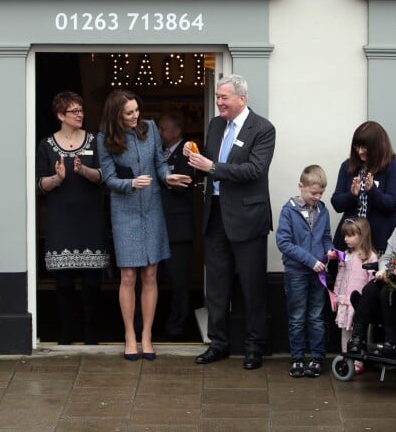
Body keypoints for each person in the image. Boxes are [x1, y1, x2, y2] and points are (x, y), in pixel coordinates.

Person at [184, 74, 275, 370]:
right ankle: (218, 344)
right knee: (218, 286)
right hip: (216, 216)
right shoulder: (214, 125)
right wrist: (195, 159)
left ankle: (254, 347)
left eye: (224, 97)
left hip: (248, 218)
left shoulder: (262, 129)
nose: (219, 102)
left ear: (242, 99)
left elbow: (255, 170)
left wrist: (212, 167)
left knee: (252, 287)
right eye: (218, 97)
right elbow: (210, 166)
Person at [97, 90, 191, 361]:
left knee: (150, 275)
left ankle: (147, 336)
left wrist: (168, 178)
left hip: (152, 210)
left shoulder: (149, 128)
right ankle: (129, 335)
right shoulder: (105, 139)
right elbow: (109, 178)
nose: (135, 116)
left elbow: (159, 163)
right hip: (124, 211)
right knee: (128, 277)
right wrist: (130, 184)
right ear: (116, 114)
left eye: (136, 110)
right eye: (128, 113)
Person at [36, 91, 110, 345]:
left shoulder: (95, 141)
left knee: (92, 283)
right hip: (61, 220)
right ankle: (67, 331)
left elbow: (103, 177)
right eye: (74, 111)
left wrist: (83, 170)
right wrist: (57, 178)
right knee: (64, 283)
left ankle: (91, 331)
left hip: (90, 218)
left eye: (81, 110)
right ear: (60, 115)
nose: (80, 115)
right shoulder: (46, 144)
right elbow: (40, 185)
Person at [275, 165, 334, 378]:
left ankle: (317, 359)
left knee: (317, 317)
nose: (317, 197)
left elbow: (326, 236)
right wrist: (310, 260)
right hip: (296, 272)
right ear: (301, 186)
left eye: (321, 193)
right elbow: (284, 242)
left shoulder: (323, 210)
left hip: (318, 272)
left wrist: (329, 251)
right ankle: (298, 358)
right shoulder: (289, 210)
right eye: (313, 193)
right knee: (297, 317)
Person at [348, 189, 396, 358]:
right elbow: (386, 256)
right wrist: (383, 270)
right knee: (371, 288)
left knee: (386, 292)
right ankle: (357, 337)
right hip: (391, 278)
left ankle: (391, 342)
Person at [331, 121, 396, 254]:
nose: (360, 151)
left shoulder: (393, 166)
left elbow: (393, 204)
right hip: (350, 241)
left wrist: (372, 191)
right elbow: (336, 203)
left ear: (378, 146)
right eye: (357, 147)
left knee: (377, 274)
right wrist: (352, 195)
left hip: (379, 242)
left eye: (364, 147)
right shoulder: (347, 166)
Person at [158, 113, 195, 339]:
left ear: (176, 131)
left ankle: (178, 326)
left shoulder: (188, 151)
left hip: (178, 228)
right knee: (152, 278)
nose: (159, 133)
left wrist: (162, 179)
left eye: (163, 128)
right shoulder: (159, 153)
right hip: (157, 225)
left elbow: (182, 184)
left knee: (179, 281)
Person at [332, 217, 377, 375]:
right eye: (345, 236)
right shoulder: (345, 255)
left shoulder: (370, 256)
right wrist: (336, 295)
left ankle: (359, 360)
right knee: (346, 331)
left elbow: (372, 280)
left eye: (350, 235)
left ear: (362, 235)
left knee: (359, 331)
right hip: (345, 299)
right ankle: (347, 358)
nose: (346, 239)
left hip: (359, 303)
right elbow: (340, 275)